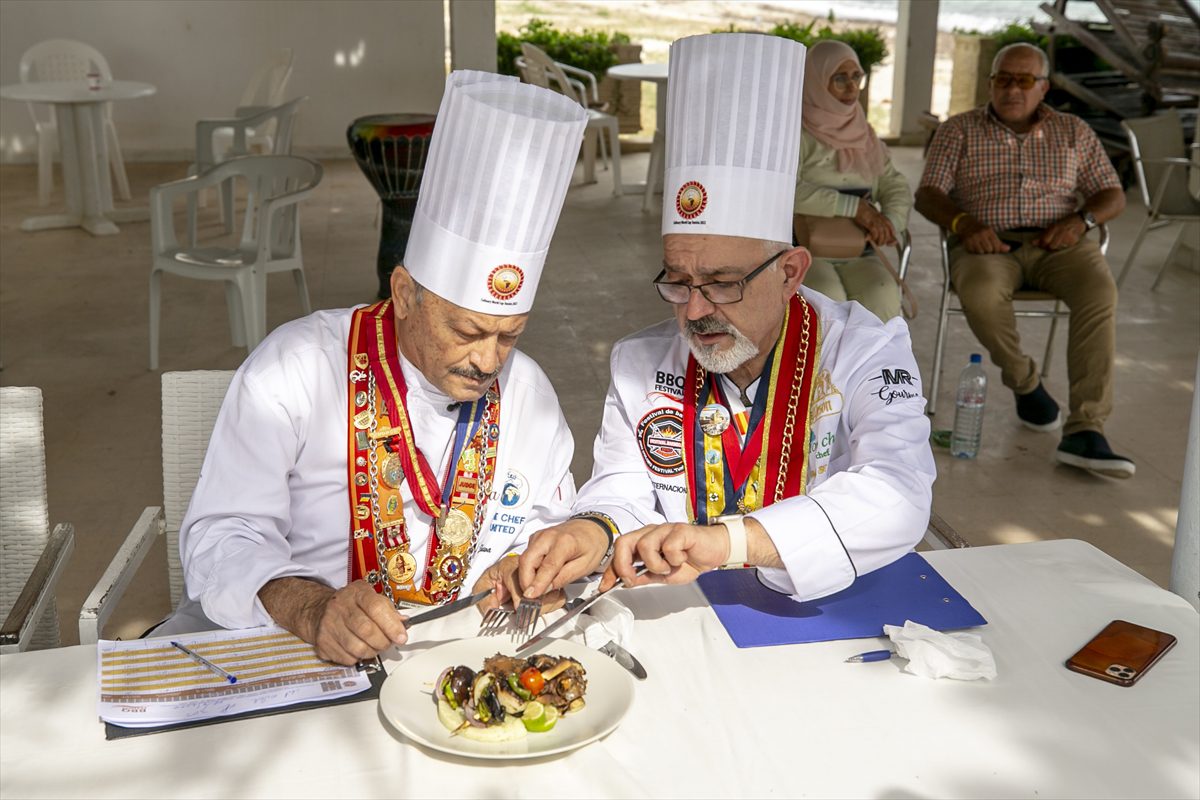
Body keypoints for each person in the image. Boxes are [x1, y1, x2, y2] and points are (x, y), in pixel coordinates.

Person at [485, 32, 935, 605]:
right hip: (686, 609)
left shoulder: (864, 351)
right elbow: (624, 485)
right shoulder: (640, 363)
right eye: (678, 281)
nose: (695, 311)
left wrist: (728, 542)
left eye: (723, 284)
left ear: (792, 273)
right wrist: (593, 529)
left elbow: (900, 492)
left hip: (827, 609)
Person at [155, 71, 589, 665]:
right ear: (406, 293)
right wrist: (311, 608)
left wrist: (526, 566)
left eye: (509, 335)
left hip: (465, 653)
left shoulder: (529, 391)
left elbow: (549, 519)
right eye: (466, 331)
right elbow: (221, 536)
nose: (488, 361)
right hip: (303, 648)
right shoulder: (298, 369)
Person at [914, 42, 1133, 478]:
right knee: (978, 291)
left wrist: (1081, 220)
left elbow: (1112, 193)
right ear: (991, 83)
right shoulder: (958, 129)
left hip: (1062, 244)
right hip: (988, 244)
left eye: (1024, 80)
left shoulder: (1073, 131)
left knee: (1099, 293)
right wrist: (964, 224)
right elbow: (928, 193)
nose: (1013, 89)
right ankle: (1026, 382)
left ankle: (1085, 429)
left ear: (1044, 87)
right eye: (1003, 79)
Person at [794, 40, 912, 322]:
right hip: (805, 249)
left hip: (859, 248)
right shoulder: (796, 132)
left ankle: (872, 367)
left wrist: (891, 222)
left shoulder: (864, 133)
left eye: (856, 76)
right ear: (816, 80)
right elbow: (786, 191)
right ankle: (824, 368)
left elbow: (894, 184)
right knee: (825, 295)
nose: (851, 87)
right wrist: (855, 208)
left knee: (883, 293)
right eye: (839, 78)